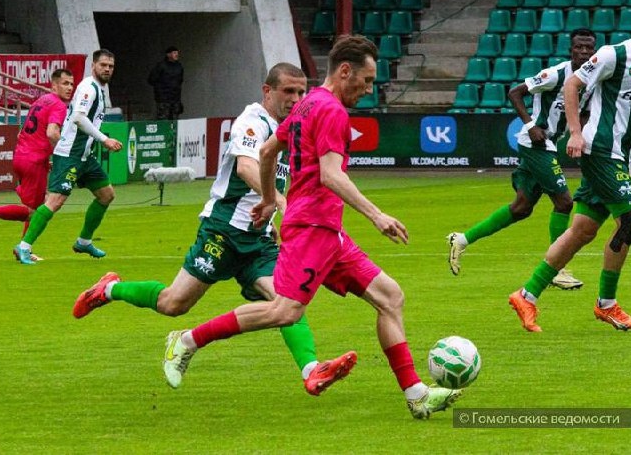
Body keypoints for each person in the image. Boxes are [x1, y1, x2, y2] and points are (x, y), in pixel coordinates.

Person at [161, 35, 462, 419]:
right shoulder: (332, 110)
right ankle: (187, 340)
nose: (368, 89)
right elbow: (330, 174)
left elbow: (268, 151)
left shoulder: (308, 104)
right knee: (284, 311)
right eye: (367, 80)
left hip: (326, 229)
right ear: (345, 71)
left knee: (390, 296)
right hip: (311, 228)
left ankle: (416, 394)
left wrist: (268, 199)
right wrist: (376, 215)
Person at [71, 63, 356, 395]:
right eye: (288, 91)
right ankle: (108, 289)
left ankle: (311, 369)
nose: (295, 98)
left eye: (301, 92)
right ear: (267, 91)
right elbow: (246, 167)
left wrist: (274, 220)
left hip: (258, 239)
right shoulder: (252, 121)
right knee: (173, 304)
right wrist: (279, 202)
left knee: (286, 302)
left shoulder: (290, 128)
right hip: (223, 231)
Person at [508, 0, 631, 332]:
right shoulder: (614, 54)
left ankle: (526, 295)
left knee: (582, 230)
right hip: (600, 149)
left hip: (621, 155)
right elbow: (572, 85)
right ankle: (607, 304)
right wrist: (575, 132)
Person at [447, 29, 598, 290]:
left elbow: (583, 113)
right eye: (579, 47)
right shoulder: (555, 74)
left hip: (550, 143)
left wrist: (582, 137)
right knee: (564, 202)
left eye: (589, 48)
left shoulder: (590, 81)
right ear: (570, 50)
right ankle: (557, 269)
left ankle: (461, 239)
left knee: (521, 208)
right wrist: (530, 125)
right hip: (535, 144)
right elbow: (515, 93)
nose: (584, 52)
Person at [13, 49, 123, 264]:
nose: (107, 69)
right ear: (93, 66)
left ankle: (83, 242)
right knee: (55, 201)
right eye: (103, 65)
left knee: (106, 194)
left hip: (84, 155)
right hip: (70, 153)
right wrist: (104, 139)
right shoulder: (88, 88)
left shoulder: (99, 89)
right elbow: (79, 118)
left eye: (110, 66)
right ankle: (23, 246)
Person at [0, 68, 74, 262]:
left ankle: (24, 248)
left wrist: (43, 157)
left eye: (71, 84)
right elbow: (52, 133)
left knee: (36, 206)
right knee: (34, 212)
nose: (69, 88)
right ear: (54, 85)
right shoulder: (59, 105)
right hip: (33, 162)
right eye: (65, 83)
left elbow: (21, 133)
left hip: (21, 157)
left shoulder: (41, 101)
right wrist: (65, 155)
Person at [148, 46, 184, 120]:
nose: (176, 55)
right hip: (163, 99)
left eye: (177, 53)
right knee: (163, 121)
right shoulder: (161, 66)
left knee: (175, 121)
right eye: (174, 53)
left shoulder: (179, 66)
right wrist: (161, 90)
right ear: (168, 54)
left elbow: (180, 81)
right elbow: (152, 80)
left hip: (175, 99)